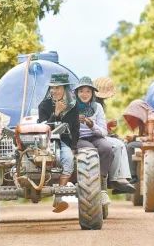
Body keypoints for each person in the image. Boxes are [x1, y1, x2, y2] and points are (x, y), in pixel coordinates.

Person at [37, 73, 79, 213]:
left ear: (65, 89)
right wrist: (55, 113)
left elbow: (75, 129)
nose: (54, 91)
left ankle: (59, 197)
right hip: (45, 142)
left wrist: (73, 147)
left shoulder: (73, 106)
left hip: (63, 142)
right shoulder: (44, 105)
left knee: (67, 159)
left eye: (58, 88)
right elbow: (43, 126)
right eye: (52, 88)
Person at [74, 76, 115, 206]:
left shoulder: (97, 107)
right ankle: (89, 186)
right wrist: (75, 121)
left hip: (95, 136)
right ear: (77, 93)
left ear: (92, 93)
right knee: (89, 150)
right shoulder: (71, 107)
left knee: (107, 148)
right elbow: (67, 129)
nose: (84, 94)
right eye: (81, 91)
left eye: (88, 91)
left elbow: (103, 132)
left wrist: (92, 125)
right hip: (79, 139)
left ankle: (102, 186)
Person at [93, 77, 135, 194]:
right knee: (119, 144)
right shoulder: (93, 104)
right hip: (94, 135)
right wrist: (107, 127)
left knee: (122, 142)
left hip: (99, 133)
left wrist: (108, 127)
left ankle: (123, 178)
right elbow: (93, 126)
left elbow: (99, 125)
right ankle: (116, 179)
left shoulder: (100, 104)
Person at [122, 99, 154, 183]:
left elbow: (150, 138)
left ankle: (132, 176)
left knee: (130, 146)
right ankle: (127, 174)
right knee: (126, 143)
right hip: (149, 142)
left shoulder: (151, 117)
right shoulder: (143, 120)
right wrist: (132, 137)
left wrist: (134, 138)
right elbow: (142, 137)